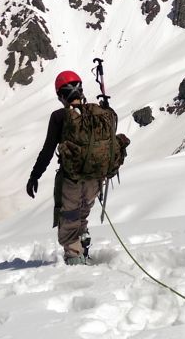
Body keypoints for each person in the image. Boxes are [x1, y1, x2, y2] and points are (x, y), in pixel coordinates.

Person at [26, 70, 128, 266]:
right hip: (96, 178)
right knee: (82, 213)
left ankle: (75, 260)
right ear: (80, 90)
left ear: (61, 95)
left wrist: (34, 176)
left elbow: (48, 150)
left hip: (72, 179)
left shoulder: (59, 117)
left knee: (69, 217)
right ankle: (83, 240)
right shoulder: (100, 112)